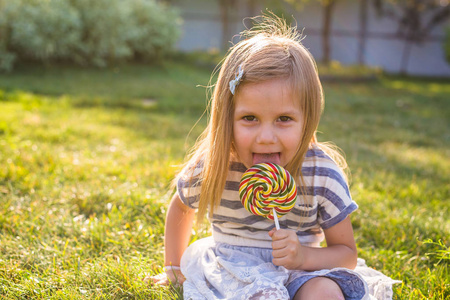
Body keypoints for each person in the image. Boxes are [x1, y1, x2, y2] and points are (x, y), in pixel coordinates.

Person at [149, 14, 399, 300]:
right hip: (233, 269)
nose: (266, 137)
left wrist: (302, 256)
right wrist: (173, 267)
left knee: (326, 293)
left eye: (283, 118)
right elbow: (182, 207)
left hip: (305, 269)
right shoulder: (215, 164)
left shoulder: (321, 175)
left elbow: (347, 255)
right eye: (250, 118)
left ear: (308, 119)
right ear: (226, 119)